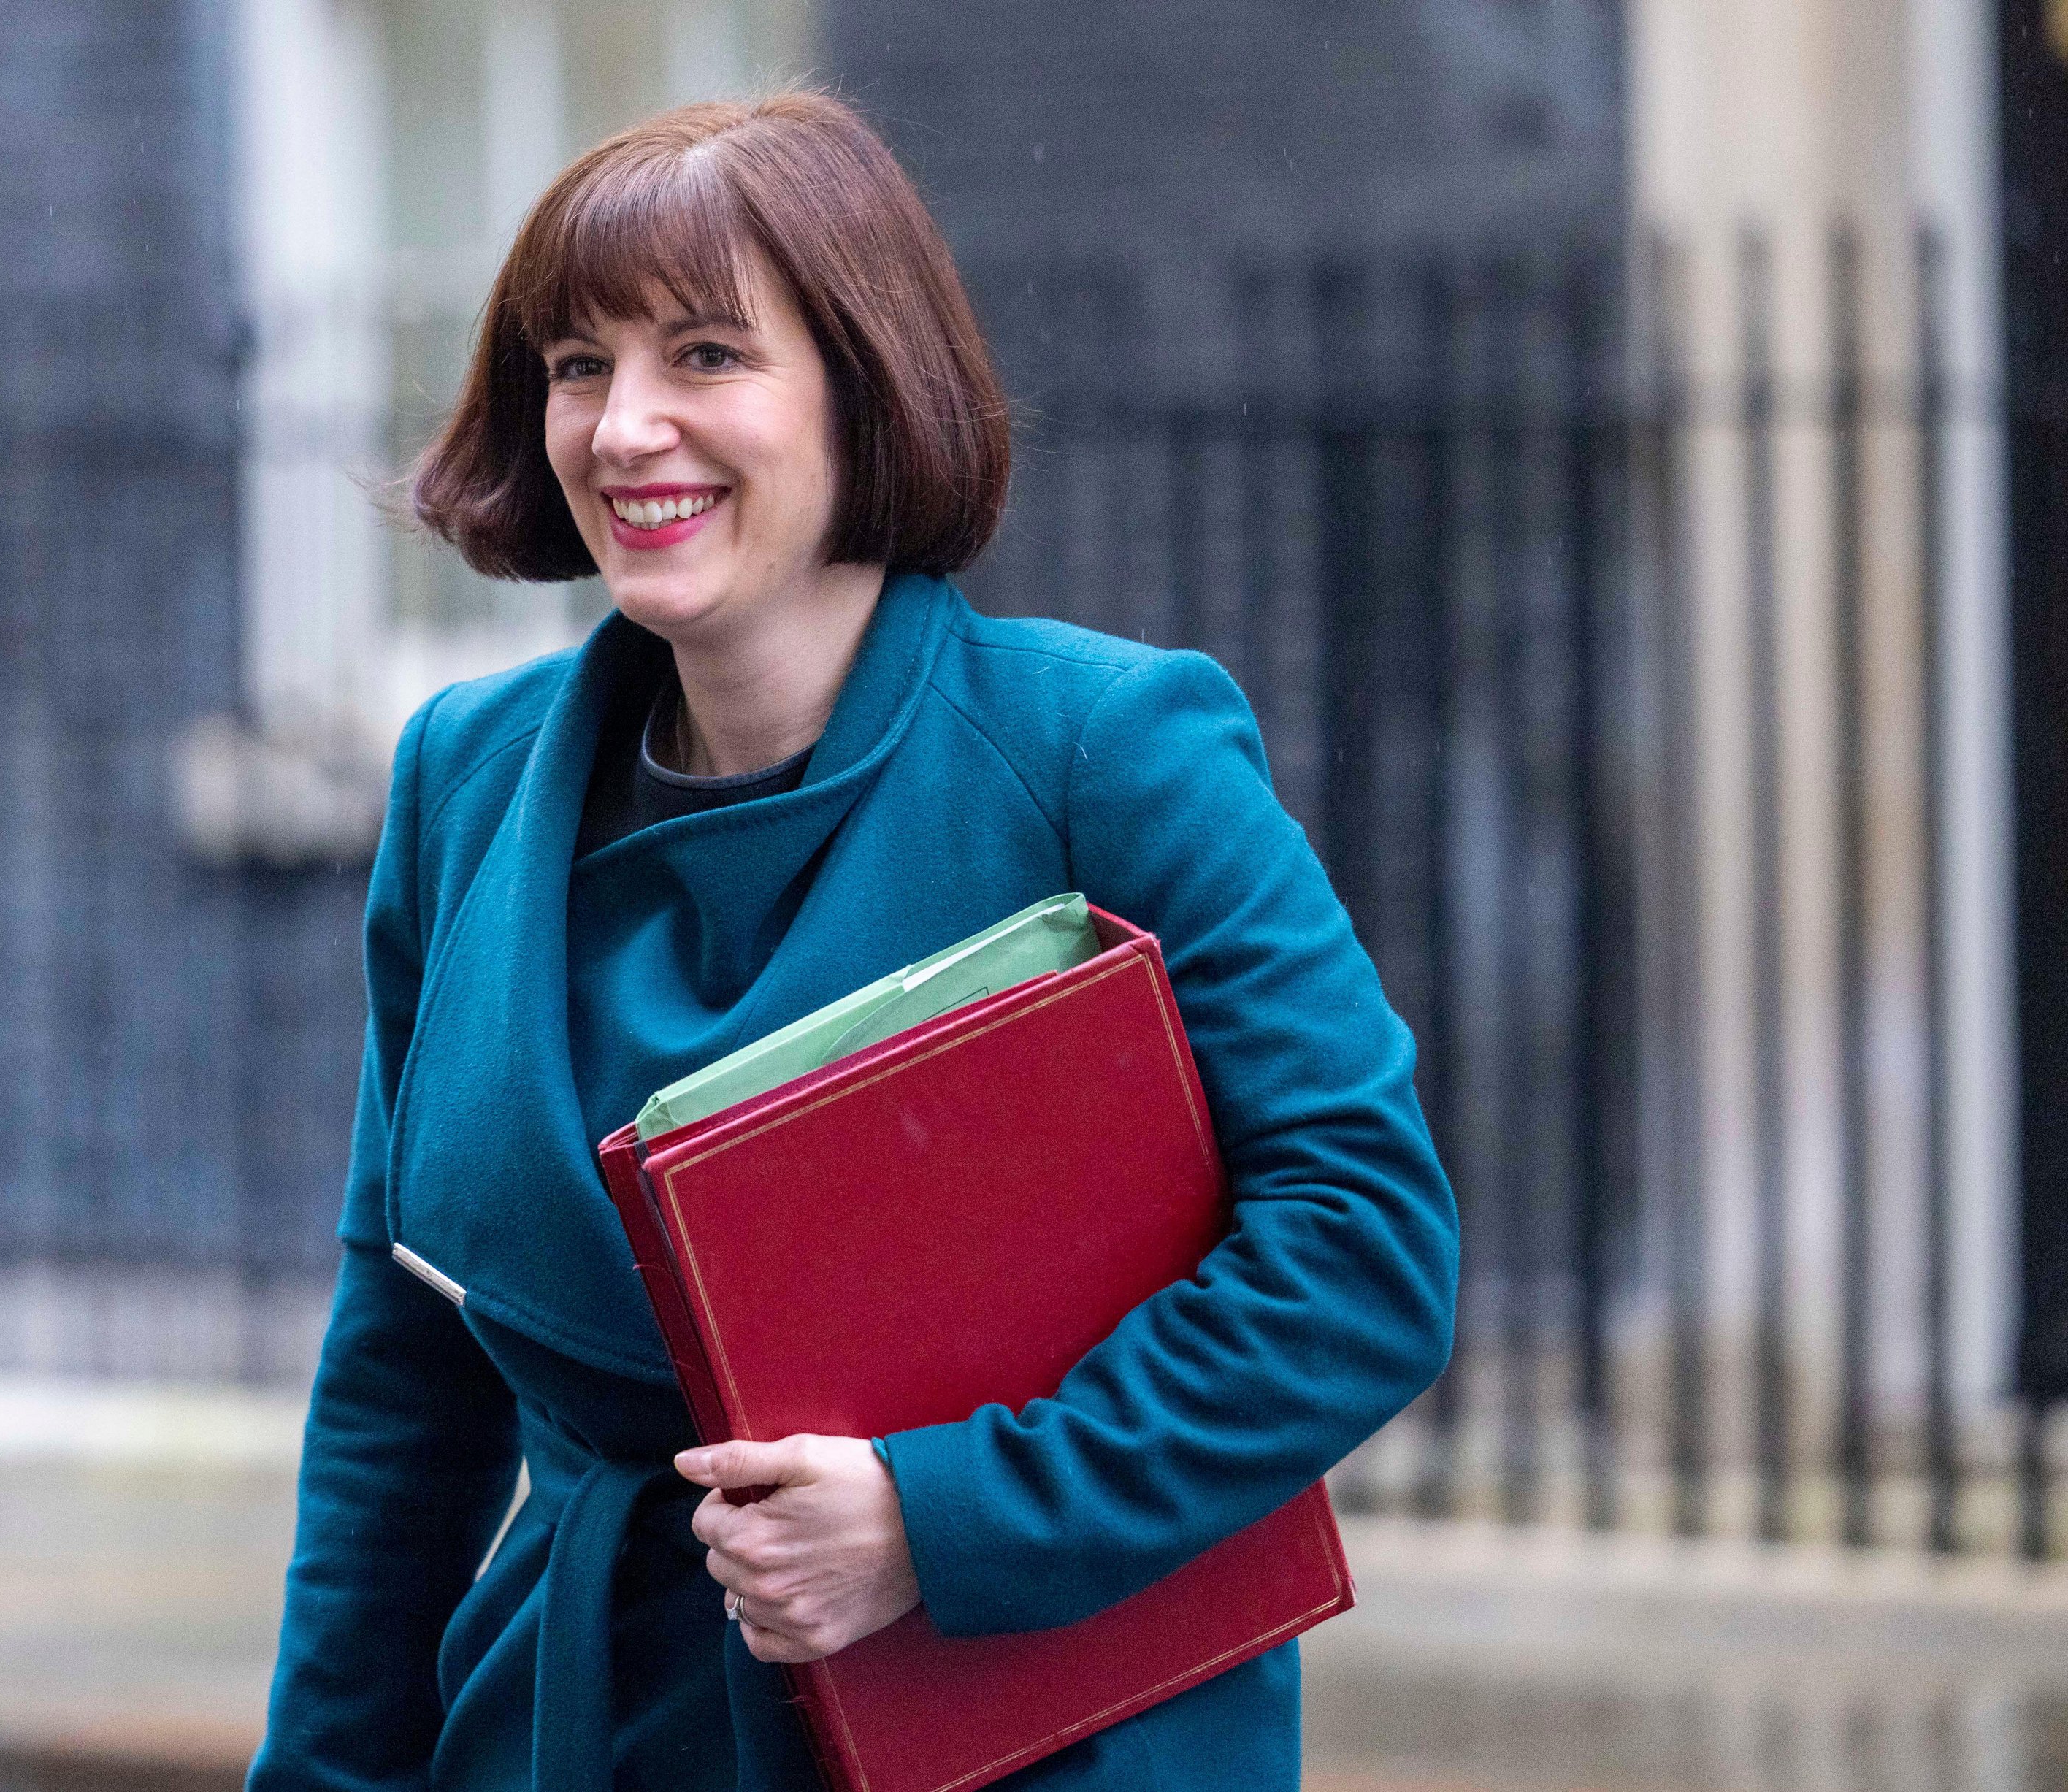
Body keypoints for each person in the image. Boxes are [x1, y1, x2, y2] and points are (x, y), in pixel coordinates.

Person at [247, 90, 1457, 1792]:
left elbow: (1361, 1250)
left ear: (862, 379)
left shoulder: (1104, 752)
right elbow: (402, 1370)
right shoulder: (466, 778)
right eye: (578, 364)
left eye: (707, 355)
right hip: (571, 1736)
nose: (621, 427)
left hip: (1032, 1735)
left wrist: (944, 1518)